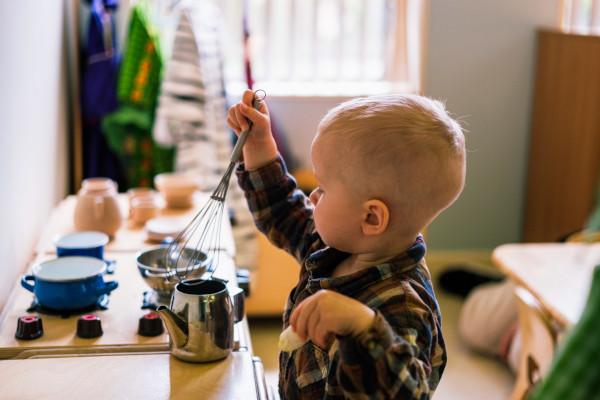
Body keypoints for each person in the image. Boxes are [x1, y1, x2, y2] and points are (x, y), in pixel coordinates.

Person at [228, 90, 466, 399]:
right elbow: (282, 210)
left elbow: (407, 391)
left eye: (323, 188)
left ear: (370, 217)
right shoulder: (336, 246)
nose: (312, 196)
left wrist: (363, 327)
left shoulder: (404, 305)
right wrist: (260, 146)